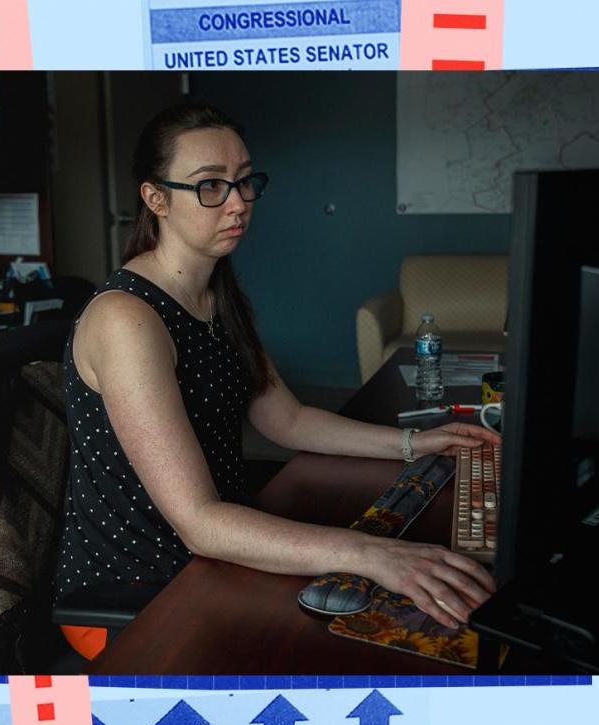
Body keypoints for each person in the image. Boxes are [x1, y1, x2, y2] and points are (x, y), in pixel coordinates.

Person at [54, 101, 500, 658]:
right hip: (142, 587)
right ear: (156, 198)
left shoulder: (217, 292)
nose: (238, 203)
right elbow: (200, 523)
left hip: (213, 553)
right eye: (210, 186)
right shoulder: (127, 319)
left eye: (244, 182)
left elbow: (284, 418)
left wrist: (415, 443)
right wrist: (366, 554)